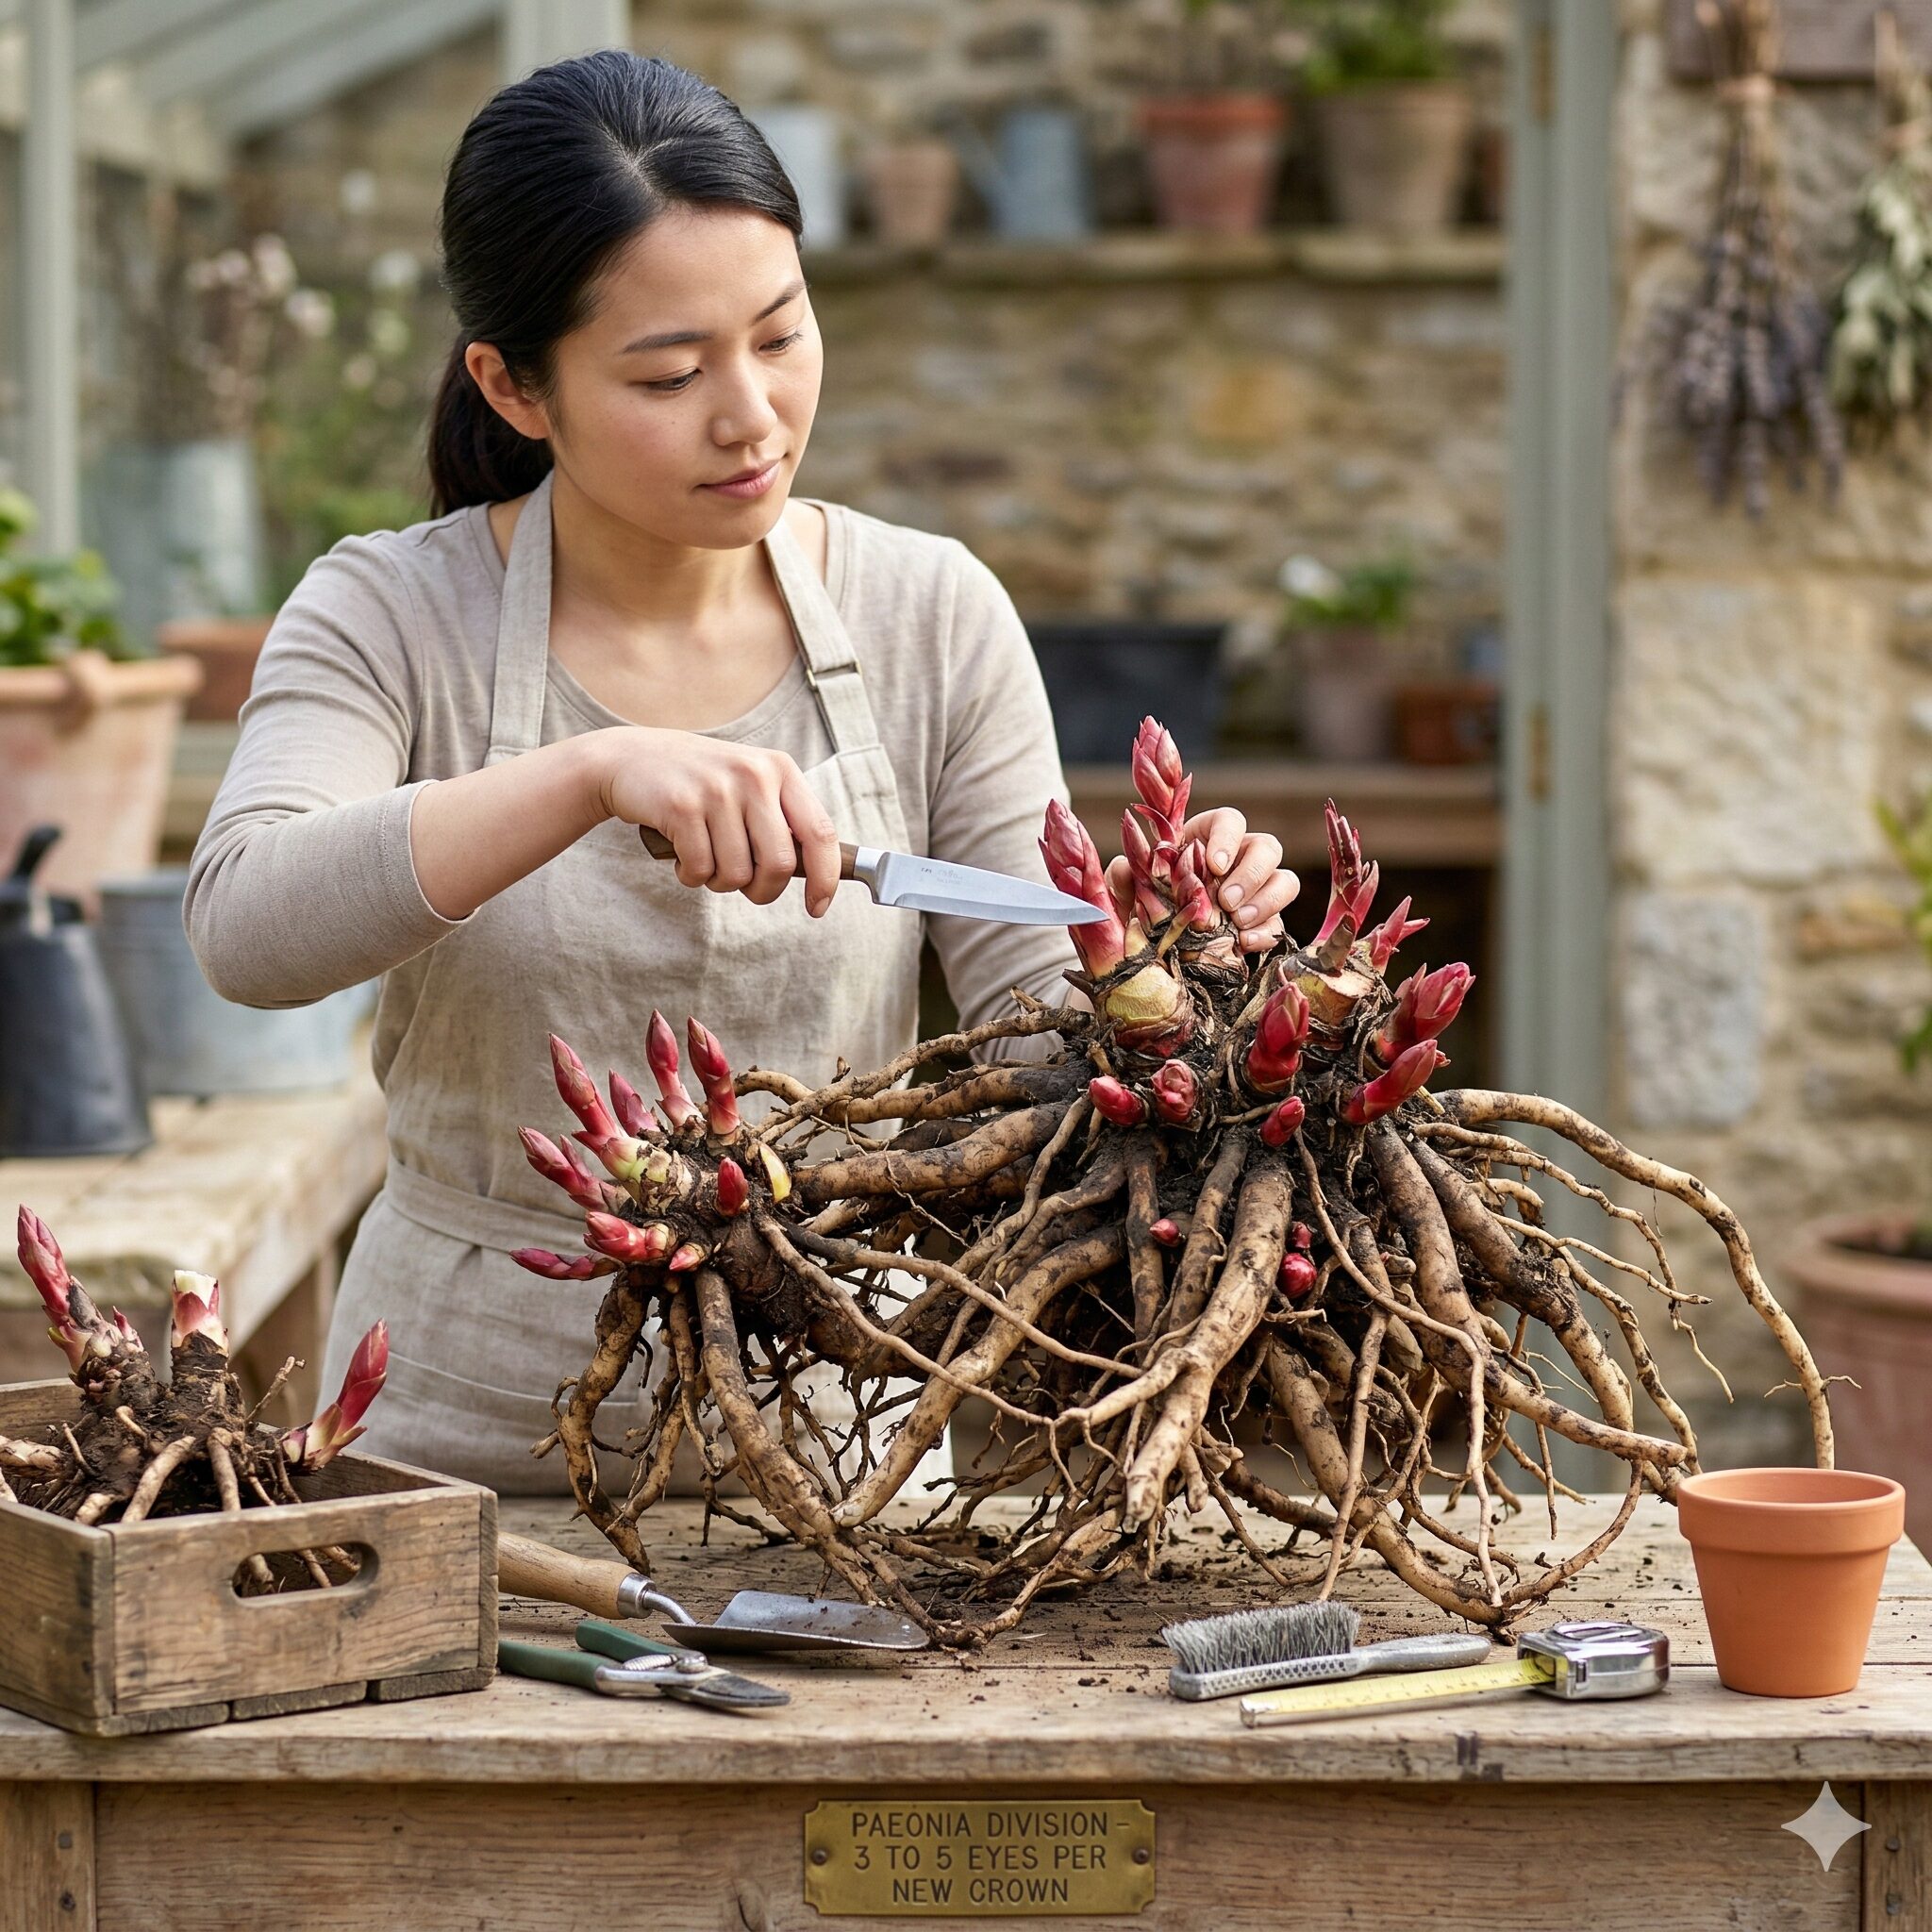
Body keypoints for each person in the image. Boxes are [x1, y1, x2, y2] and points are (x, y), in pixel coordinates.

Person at [186, 51, 1299, 1491]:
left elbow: (1033, 1051)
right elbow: (246, 929)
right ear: (514, 388)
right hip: (455, 1464)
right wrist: (587, 774)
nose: (752, 415)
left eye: (780, 336)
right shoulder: (393, 615)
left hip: (844, 1444)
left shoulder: (928, 613)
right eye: (669, 372)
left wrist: (1169, 961)